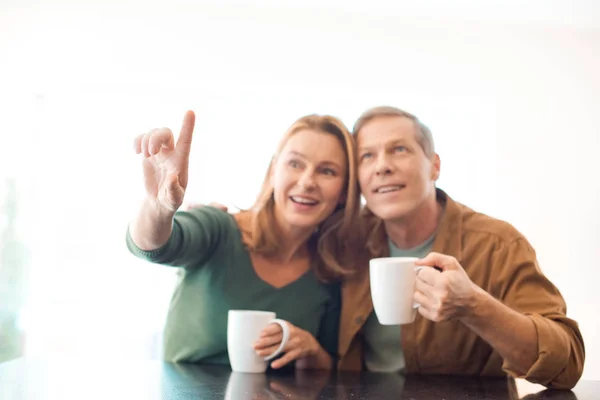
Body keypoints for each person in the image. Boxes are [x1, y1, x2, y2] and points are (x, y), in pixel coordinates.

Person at [337, 106, 585, 389]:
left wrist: (473, 306)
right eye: (367, 156)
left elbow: (568, 365)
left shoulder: (497, 244)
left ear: (435, 166)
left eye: (399, 149)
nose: (382, 166)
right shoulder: (345, 242)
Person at [126, 110, 361, 369]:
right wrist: (159, 208)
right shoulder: (219, 228)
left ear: (343, 191)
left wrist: (312, 350)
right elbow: (152, 246)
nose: (307, 182)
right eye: (295, 164)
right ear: (273, 171)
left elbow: (330, 369)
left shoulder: (329, 274)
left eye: (327, 171)